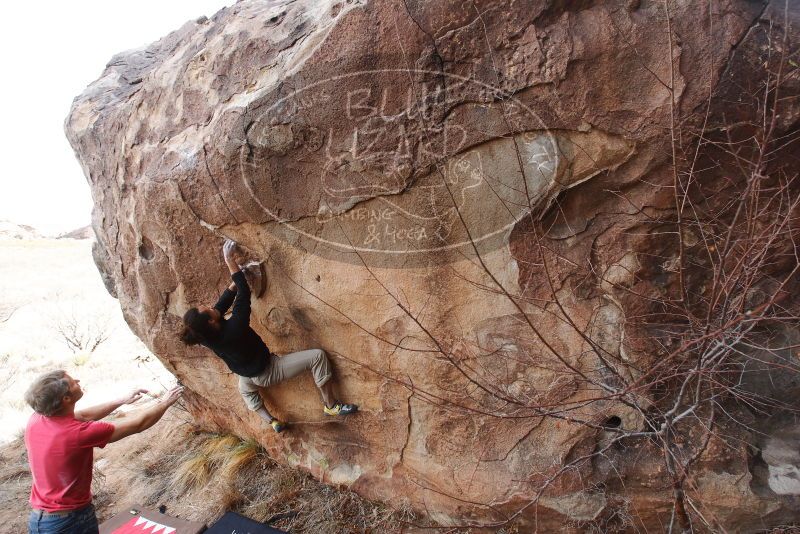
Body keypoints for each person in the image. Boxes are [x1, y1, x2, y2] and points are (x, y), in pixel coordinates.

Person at [181, 239, 357, 433]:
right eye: (206, 309)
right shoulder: (234, 329)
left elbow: (220, 306)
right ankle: (331, 406)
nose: (209, 306)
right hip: (266, 371)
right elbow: (244, 294)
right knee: (317, 356)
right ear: (211, 323)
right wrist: (230, 261)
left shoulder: (204, 335)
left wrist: (235, 281)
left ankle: (271, 421)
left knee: (246, 391)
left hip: (246, 374)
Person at [24, 370, 183, 534]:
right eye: (73, 382)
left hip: (40, 520)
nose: (78, 380)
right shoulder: (77, 433)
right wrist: (165, 402)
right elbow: (138, 424)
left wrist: (120, 401)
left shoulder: (37, 419)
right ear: (66, 398)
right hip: (69, 522)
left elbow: (84, 415)